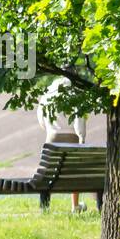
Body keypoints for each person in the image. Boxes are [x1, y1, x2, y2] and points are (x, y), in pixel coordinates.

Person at [36, 77, 90, 212]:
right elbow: (80, 123)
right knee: (74, 172)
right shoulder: (74, 97)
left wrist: (50, 128)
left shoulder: (46, 98)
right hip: (72, 139)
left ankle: (45, 207)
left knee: (49, 172)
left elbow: (41, 121)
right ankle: (75, 206)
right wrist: (81, 137)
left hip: (52, 139)